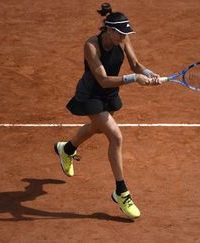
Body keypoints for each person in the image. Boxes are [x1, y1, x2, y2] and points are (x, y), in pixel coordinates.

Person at [54, 3, 160, 219]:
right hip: (92, 94)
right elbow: (102, 80)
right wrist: (134, 79)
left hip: (110, 93)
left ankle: (67, 149)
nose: (124, 37)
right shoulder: (91, 45)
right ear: (110, 30)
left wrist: (149, 74)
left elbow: (135, 64)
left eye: (126, 34)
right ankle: (121, 192)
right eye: (121, 33)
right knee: (116, 137)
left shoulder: (122, 38)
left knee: (98, 128)